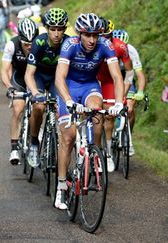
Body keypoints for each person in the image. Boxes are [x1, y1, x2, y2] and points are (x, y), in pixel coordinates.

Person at [54, 13, 124, 210]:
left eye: (95, 35)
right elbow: (59, 78)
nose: (92, 39)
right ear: (79, 34)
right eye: (87, 35)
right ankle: (61, 186)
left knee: (96, 111)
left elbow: (117, 77)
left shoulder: (105, 45)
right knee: (68, 137)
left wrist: (119, 102)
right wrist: (67, 100)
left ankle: (92, 150)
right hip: (68, 88)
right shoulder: (70, 46)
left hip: (90, 86)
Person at [24, 7, 69, 168]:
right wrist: (35, 92)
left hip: (57, 79)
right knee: (38, 106)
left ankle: (60, 139)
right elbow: (29, 74)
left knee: (63, 107)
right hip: (39, 78)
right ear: (47, 29)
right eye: (53, 29)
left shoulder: (68, 43)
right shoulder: (39, 42)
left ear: (64, 29)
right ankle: (34, 143)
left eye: (60, 29)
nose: (56, 33)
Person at [96, 18, 133, 171]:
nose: (105, 41)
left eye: (108, 37)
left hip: (111, 81)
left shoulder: (120, 46)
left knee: (110, 116)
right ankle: (90, 145)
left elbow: (129, 73)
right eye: (102, 37)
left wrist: (122, 94)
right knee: (94, 114)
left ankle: (108, 153)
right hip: (95, 79)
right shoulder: (92, 45)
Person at [1, 18, 38, 164]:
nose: (29, 47)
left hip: (36, 77)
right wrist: (9, 87)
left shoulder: (40, 43)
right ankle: (14, 147)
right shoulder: (12, 45)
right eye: (26, 44)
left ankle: (38, 132)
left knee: (40, 107)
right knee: (18, 108)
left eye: (31, 43)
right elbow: (4, 70)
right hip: (19, 78)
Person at [113, 29, 147, 156]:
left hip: (128, 77)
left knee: (130, 109)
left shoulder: (131, 51)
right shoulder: (110, 50)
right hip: (113, 78)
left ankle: (128, 135)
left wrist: (140, 91)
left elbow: (139, 74)